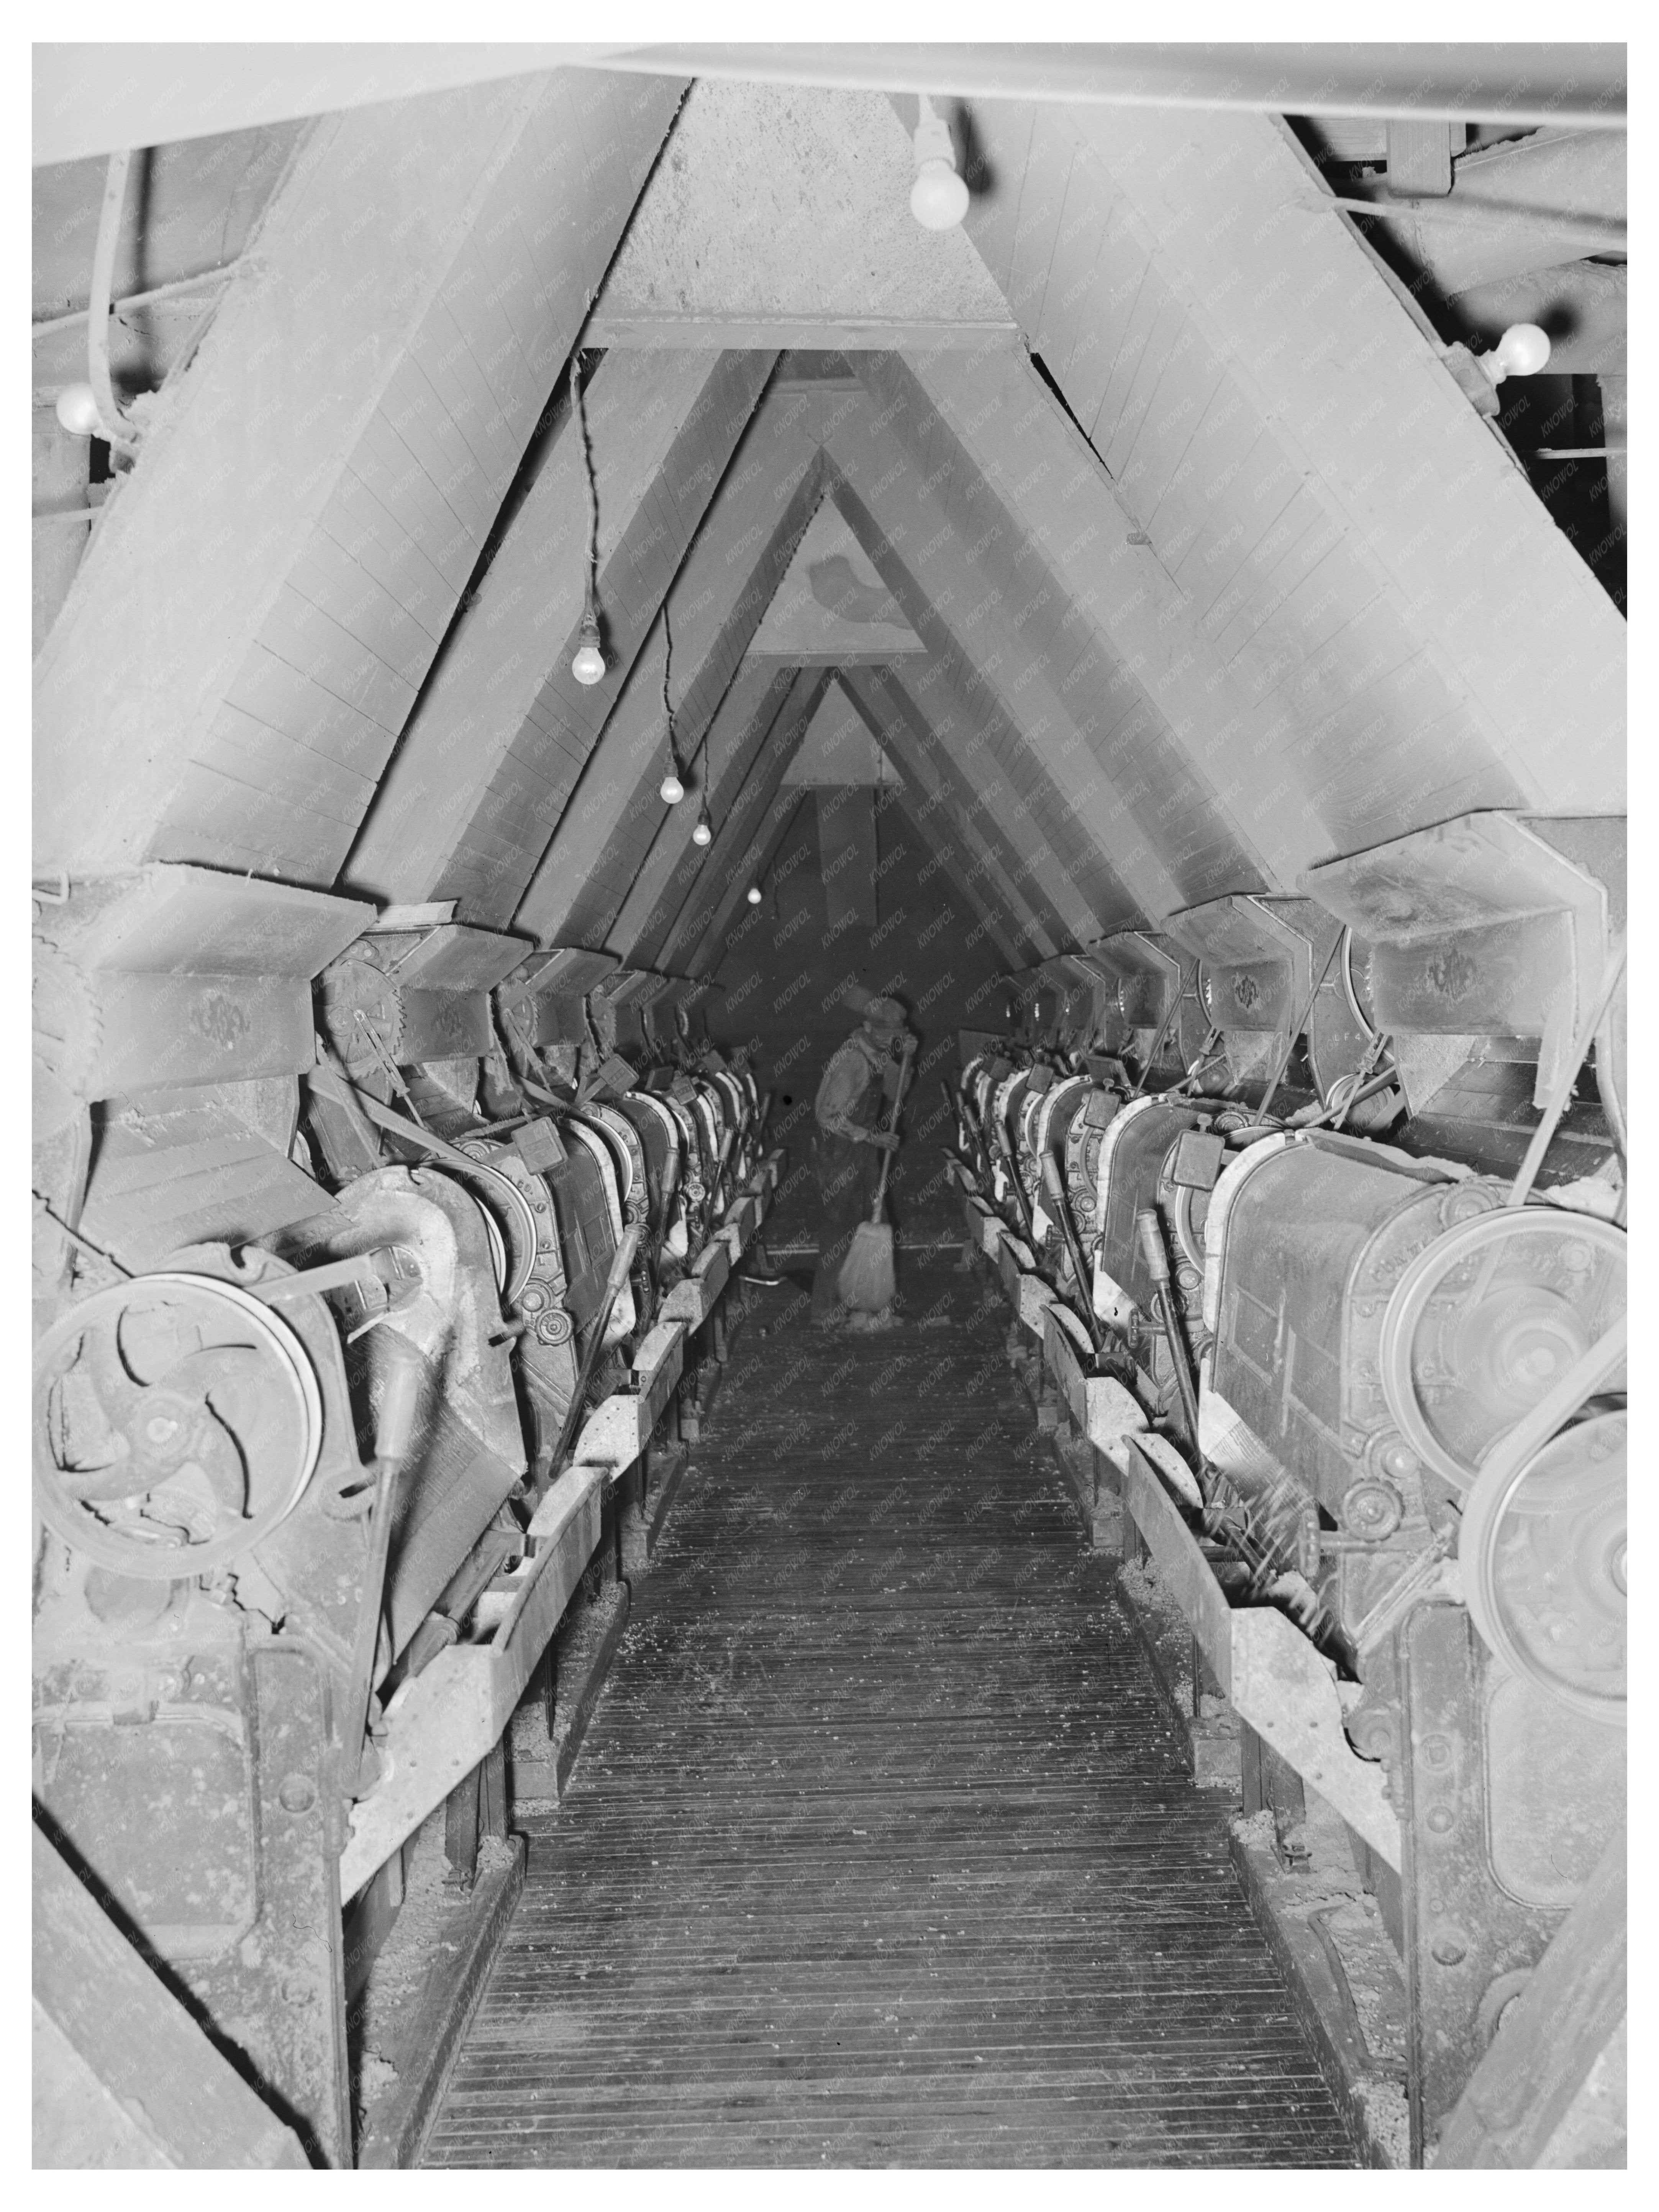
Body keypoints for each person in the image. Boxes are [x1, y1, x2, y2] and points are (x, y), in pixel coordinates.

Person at [810, 990, 914, 1330]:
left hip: (861, 1149)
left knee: (876, 1220)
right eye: (885, 1033)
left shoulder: (876, 1052)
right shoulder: (853, 1061)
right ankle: (825, 1310)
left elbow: (896, 1090)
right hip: (838, 1152)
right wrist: (872, 1136)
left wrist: (905, 1058)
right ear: (868, 1026)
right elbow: (827, 1116)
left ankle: (870, 1302)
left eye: (895, 1035)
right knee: (839, 1227)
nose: (890, 1040)